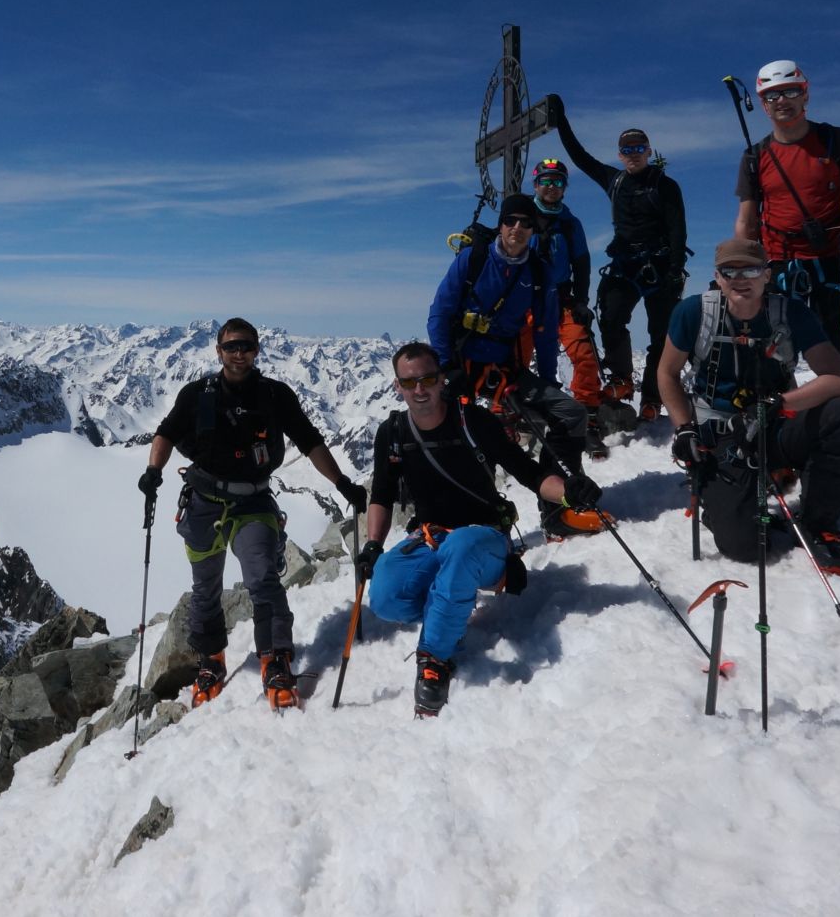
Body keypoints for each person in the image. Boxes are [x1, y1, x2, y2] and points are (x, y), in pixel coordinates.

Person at [355, 342, 598, 715]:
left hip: (483, 538)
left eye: (428, 379)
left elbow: (529, 473)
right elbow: (382, 496)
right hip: (431, 536)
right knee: (386, 595)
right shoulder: (393, 433)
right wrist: (374, 545)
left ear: (440, 380)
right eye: (410, 382)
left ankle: (434, 661)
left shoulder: (473, 422)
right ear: (398, 386)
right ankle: (449, 608)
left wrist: (569, 493)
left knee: (464, 545)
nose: (419, 390)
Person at [139, 318, 367, 710]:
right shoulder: (197, 394)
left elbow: (310, 441)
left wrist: (341, 482)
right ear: (219, 351)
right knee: (205, 584)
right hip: (203, 500)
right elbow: (167, 432)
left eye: (245, 346)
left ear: (257, 350)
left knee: (262, 578)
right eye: (231, 347)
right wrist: (152, 472)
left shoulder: (275, 395)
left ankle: (275, 657)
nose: (239, 353)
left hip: (253, 502)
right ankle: (212, 659)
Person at [654, 239, 840, 576]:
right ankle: (724, 500)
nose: (741, 278)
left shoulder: (792, 314)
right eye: (730, 270)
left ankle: (818, 523)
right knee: (745, 545)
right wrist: (684, 428)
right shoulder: (694, 312)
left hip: (777, 422)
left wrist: (779, 404)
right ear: (718, 276)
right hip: (723, 433)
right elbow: (666, 373)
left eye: (751, 269)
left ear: (767, 275)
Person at [426, 193, 599, 529]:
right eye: (510, 220)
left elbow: (547, 331)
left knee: (570, 412)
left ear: (534, 228)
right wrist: (447, 367)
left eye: (525, 222)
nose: (517, 228)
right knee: (473, 434)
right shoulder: (472, 259)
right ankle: (479, 522)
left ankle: (559, 510)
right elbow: (440, 314)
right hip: (462, 366)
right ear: (501, 224)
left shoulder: (538, 271)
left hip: (505, 368)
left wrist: (547, 378)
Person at [547, 94, 689, 424]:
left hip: (661, 267)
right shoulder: (615, 181)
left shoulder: (665, 186)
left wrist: (676, 268)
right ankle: (622, 379)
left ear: (649, 151)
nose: (633, 154)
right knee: (610, 317)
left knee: (659, 336)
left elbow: (678, 229)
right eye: (627, 149)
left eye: (639, 148)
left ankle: (652, 398)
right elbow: (580, 157)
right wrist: (561, 121)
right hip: (626, 264)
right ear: (619, 154)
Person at [732, 61, 840, 354]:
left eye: (790, 91)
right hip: (778, 262)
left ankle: (835, 398)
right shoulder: (755, 156)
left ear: (805, 95)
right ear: (763, 104)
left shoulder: (837, 141)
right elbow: (746, 220)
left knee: (836, 354)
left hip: (835, 260)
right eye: (772, 96)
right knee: (772, 356)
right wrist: (740, 265)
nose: (782, 101)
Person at [529, 158, 608, 448]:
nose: (552, 187)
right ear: (536, 185)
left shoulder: (571, 224)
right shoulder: (522, 217)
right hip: (527, 299)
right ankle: (512, 414)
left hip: (562, 299)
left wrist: (582, 301)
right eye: (546, 181)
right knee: (515, 354)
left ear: (565, 188)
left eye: (558, 182)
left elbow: (582, 264)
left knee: (583, 353)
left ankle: (587, 413)